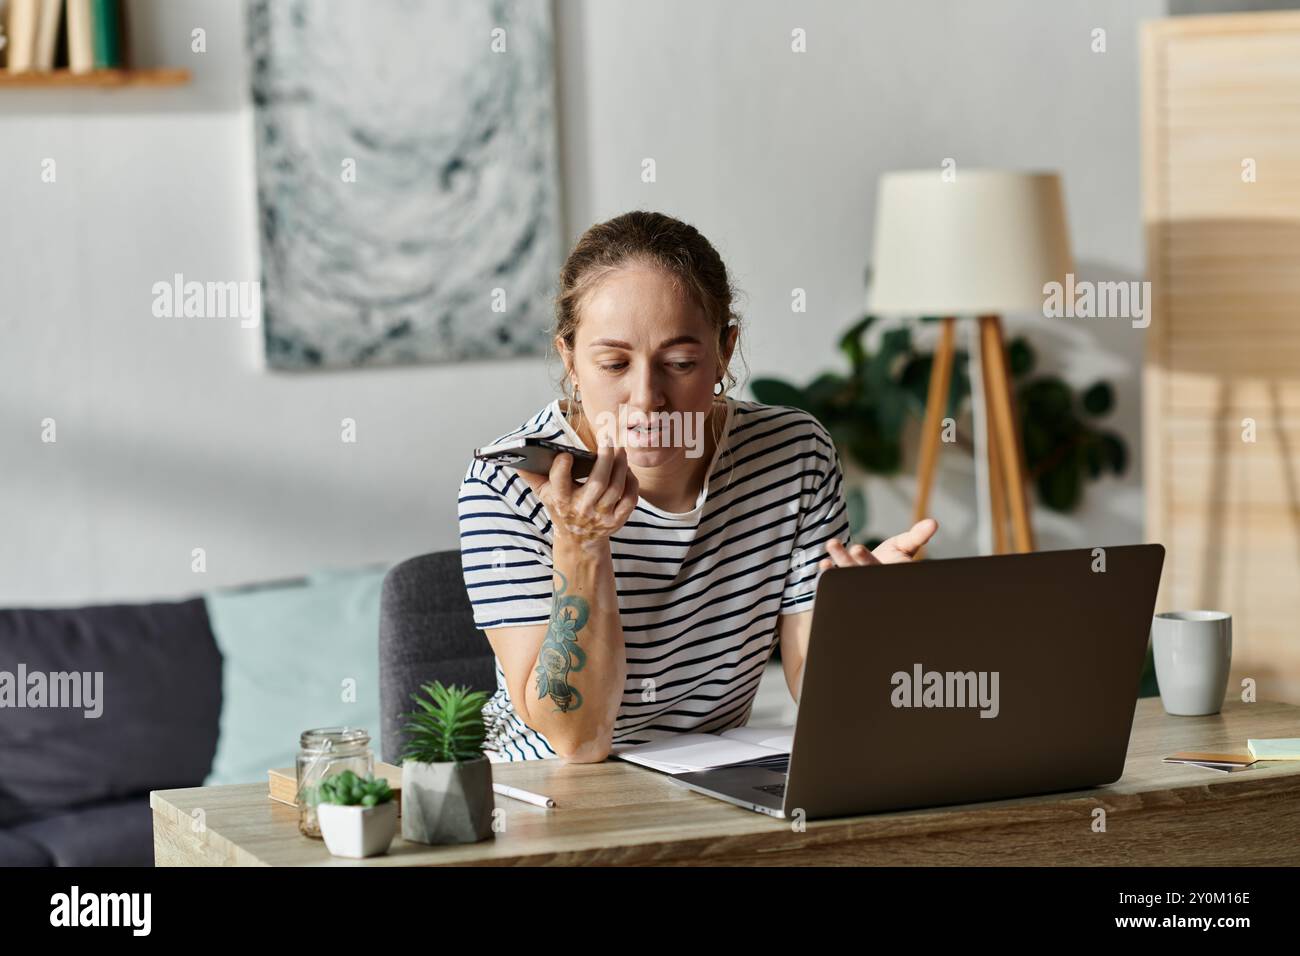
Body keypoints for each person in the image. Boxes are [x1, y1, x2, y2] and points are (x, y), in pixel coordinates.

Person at [457, 210, 938, 762]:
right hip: (552, 790)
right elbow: (576, 739)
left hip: (710, 777)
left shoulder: (792, 454)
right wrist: (580, 544)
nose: (647, 398)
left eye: (681, 362)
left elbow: (814, 685)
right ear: (569, 358)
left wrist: (868, 618)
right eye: (614, 364)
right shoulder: (508, 482)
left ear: (724, 351)